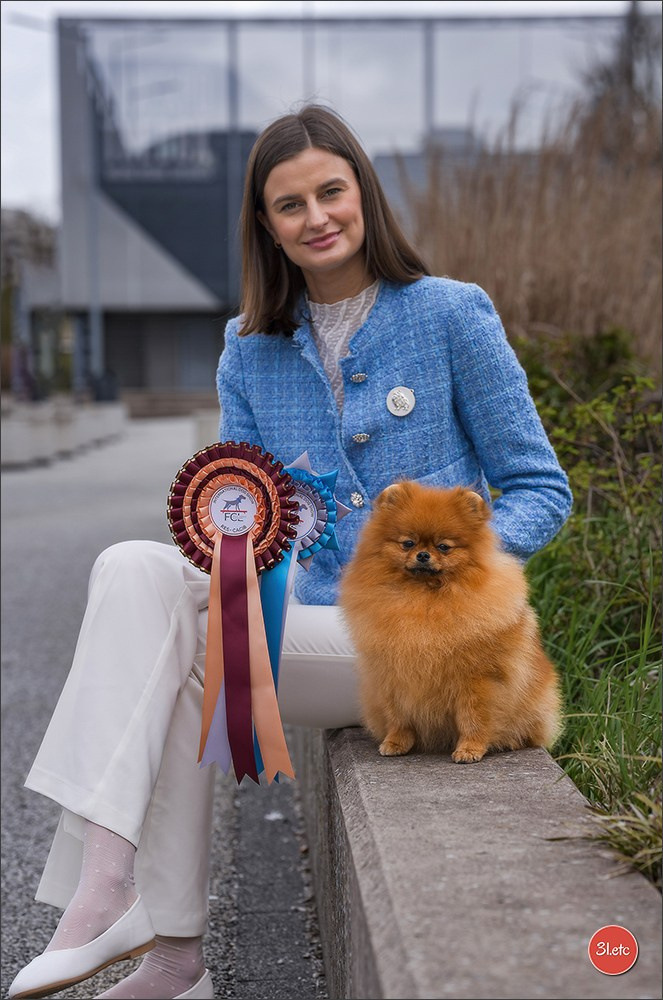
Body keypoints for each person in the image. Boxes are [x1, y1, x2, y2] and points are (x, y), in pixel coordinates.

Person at [9, 104, 572, 1000]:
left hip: (416, 654)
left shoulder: (450, 315)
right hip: (299, 632)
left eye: (330, 191)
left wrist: (466, 573)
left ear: (362, 195)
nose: (316, 217)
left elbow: (542, 487)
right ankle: (116, 899)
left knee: (184, 647)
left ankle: (162, 946)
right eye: (289, 204)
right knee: (135, 571)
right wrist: (203, 567)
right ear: (265, 226)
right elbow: (233, 514)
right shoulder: (247, 348)